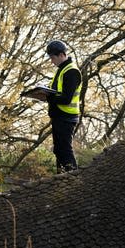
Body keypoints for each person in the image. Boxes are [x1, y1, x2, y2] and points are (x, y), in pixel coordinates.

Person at [45, 40, 82, 173]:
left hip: (66, 116)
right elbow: (56, 93)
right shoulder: (61, 70)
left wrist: (49, 97)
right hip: (59, 116)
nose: (51, 61)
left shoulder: (71, 72)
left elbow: (66, 98)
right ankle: (61, 178)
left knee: (65, 149)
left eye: (52, 58)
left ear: (61, 55)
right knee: (59, 149)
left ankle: (72, 178)